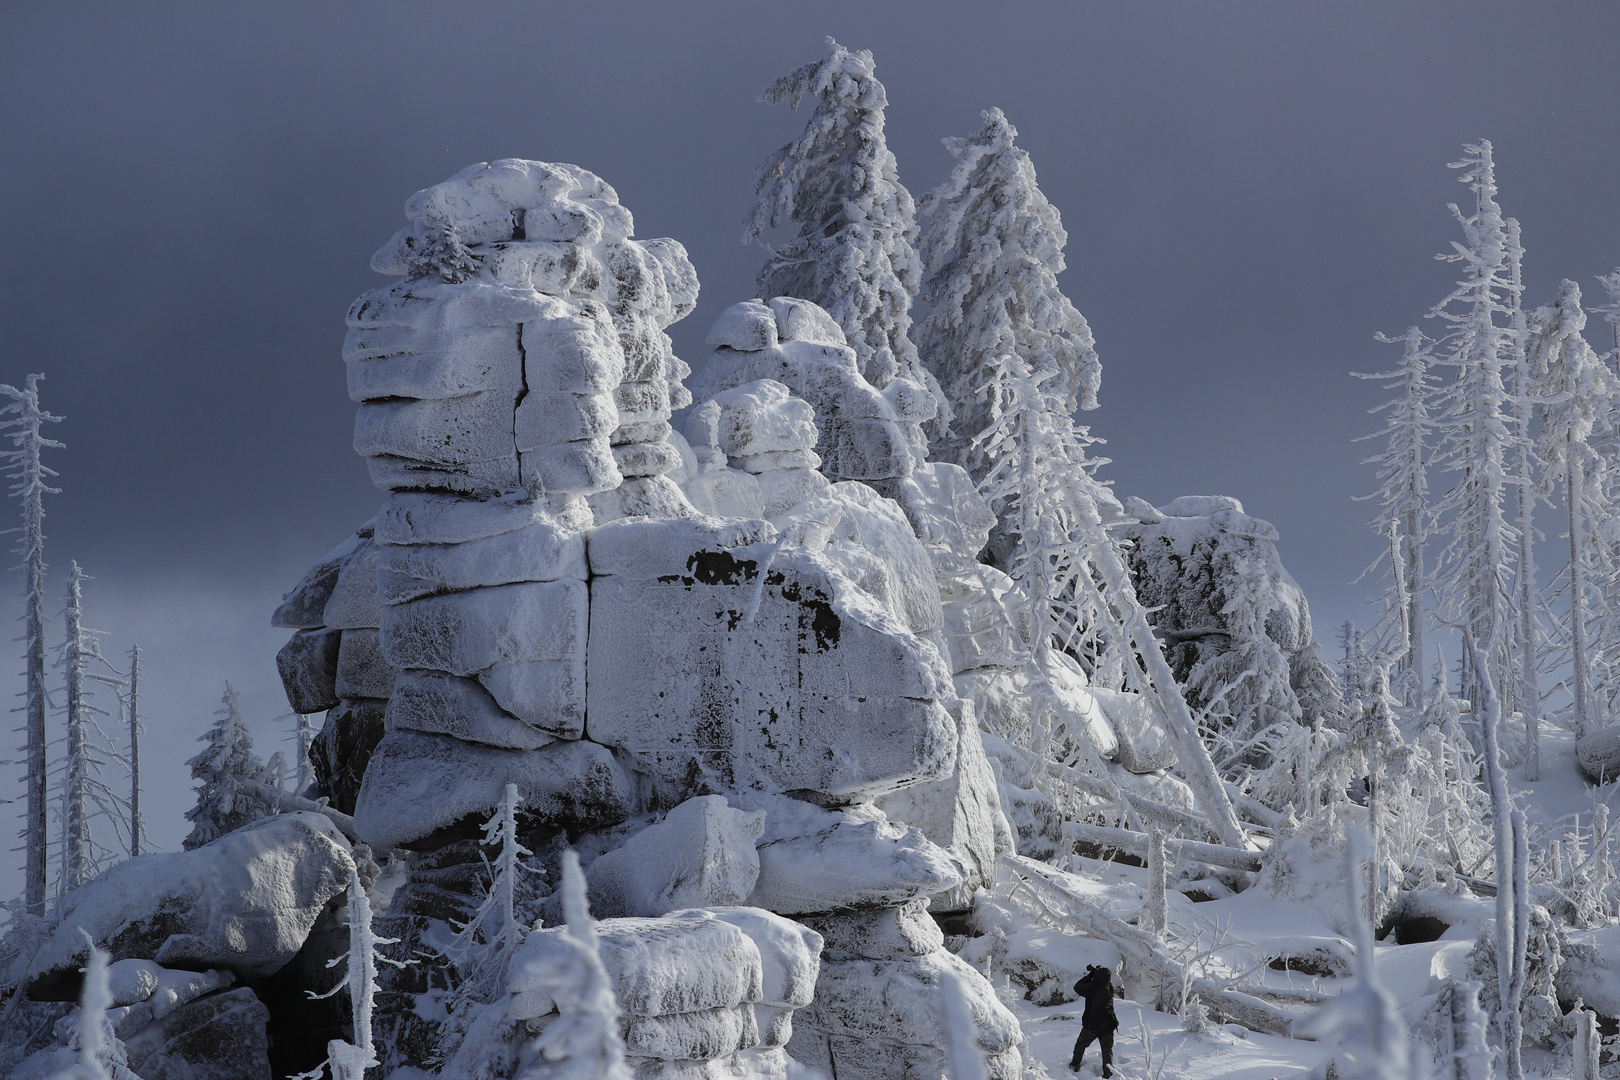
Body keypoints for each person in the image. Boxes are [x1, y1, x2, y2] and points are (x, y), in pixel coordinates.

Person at [1069, 964, 1119, 1076]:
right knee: (1107, 1052)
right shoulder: (1109, 987)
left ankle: (1074, 1065)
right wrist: (1095, 974)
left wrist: (1090, 975)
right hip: (1108, 1025)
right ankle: (1108, 1074)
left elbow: (1078, 987)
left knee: (1080, 1045)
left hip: (1092, 1026)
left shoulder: (1094, 987)